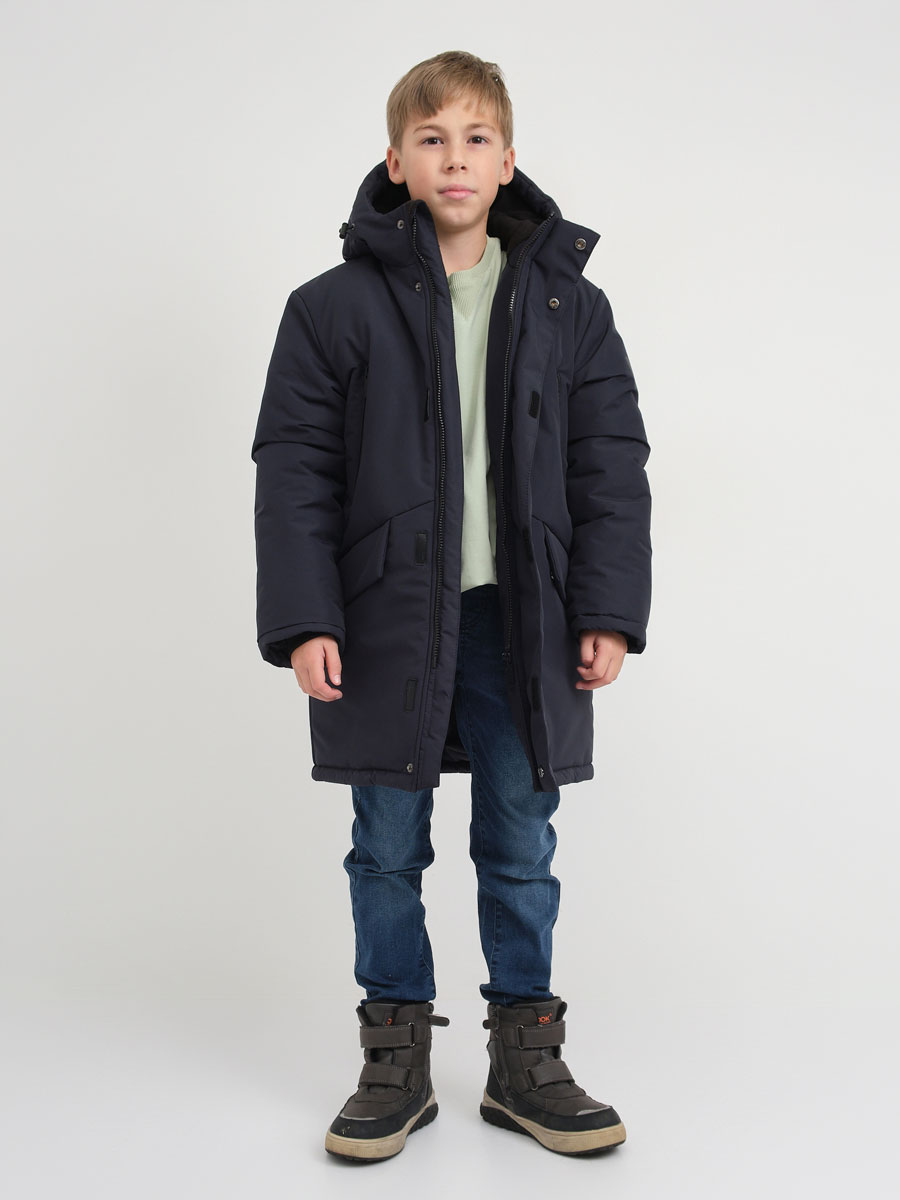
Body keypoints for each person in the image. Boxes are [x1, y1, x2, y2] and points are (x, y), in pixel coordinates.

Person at [251, 49, 652, 1162]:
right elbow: (295, 468)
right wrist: (306, 617)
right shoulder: (329, 309)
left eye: (476, 139)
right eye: (432, 140)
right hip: (383, 616)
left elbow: (611, 465)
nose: (455, 158)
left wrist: (607, 608)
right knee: (386, 845)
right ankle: (395, 1054)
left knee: (521, 840)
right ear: (397, 161)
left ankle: (526, 1056)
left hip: (524, 618)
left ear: (508, 160)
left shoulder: (572, 305)